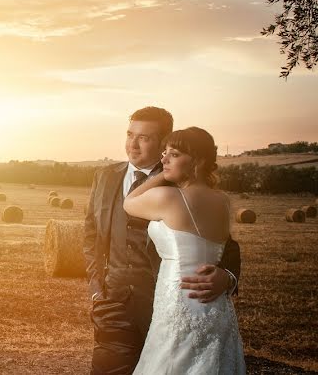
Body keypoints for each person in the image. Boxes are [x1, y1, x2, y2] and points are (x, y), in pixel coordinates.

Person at [83, 107, 240, 374]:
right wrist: (97, 287)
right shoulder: (105, 176)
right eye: (130, 134)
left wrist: (227, 277)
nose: (133, 144)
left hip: (168, 302)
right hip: (113, 301)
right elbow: (91, 234)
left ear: (163, 141)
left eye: (144, 138)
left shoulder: (182, 180)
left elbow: (225, 243)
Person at [124, 126, 245, 374]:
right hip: (215, 306)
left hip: (178, 302)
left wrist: (160, 176)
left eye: (174, 154)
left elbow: (129, 202)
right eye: (164, 152)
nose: (164, 159)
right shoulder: (222, 201)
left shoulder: (168, 198)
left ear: (197, 162)